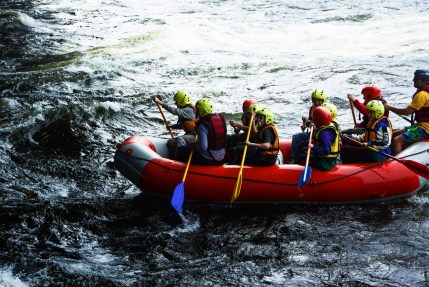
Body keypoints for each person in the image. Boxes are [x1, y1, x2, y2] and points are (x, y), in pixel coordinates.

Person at [384, 69, 429, 155]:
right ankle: (387, 155)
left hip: (426, 129)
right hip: (422, 126)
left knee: (397, 141)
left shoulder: (422, 95)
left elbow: (407, 111)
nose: (413, 80)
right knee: (393, 135)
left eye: (415, 78)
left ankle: (396, 164)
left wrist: (388, 107)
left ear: (422, 80)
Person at [177, 98, 227, 165]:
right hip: (222, 156)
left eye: (197, 110)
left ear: (201, 111)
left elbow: (203, 147)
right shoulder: (220, 118)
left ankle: (178, 167)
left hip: (210, 158)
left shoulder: (202, 125)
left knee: (181, 149)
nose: (196, 111)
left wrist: (193, 145)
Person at [154, 91, 198, 159]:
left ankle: (181, 158)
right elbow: (185, 125)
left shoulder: (188, 110)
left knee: (180, 139)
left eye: (176, 101)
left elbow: (175, 111)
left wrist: (160, 102)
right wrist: (172, 127)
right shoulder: (186, 111)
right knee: (171, 142)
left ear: (181, 101)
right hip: (190, 135)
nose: (175, 103)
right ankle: (173, 158)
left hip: (196, 136)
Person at [290, 89, 327, 163]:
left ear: (323, 101)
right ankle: (293, 159)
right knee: (296, 137)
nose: (316, 102)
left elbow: (322, 124)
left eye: (319, 101)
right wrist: (306, 121)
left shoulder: (326, 111)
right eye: (314, 100)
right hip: (313, 133)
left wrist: (308, 122)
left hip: (321, 135)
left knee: (298, 139)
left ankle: (295, 159)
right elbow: (310, 123)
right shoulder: (312, 108)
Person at [307, 106, 340, 171]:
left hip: (326, 162)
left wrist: (313, 147)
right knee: (303, 149)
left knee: (302, 157)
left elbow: (326, 151)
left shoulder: (324, 134)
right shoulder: (327, 124)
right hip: (324, 157)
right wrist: (315, 127)